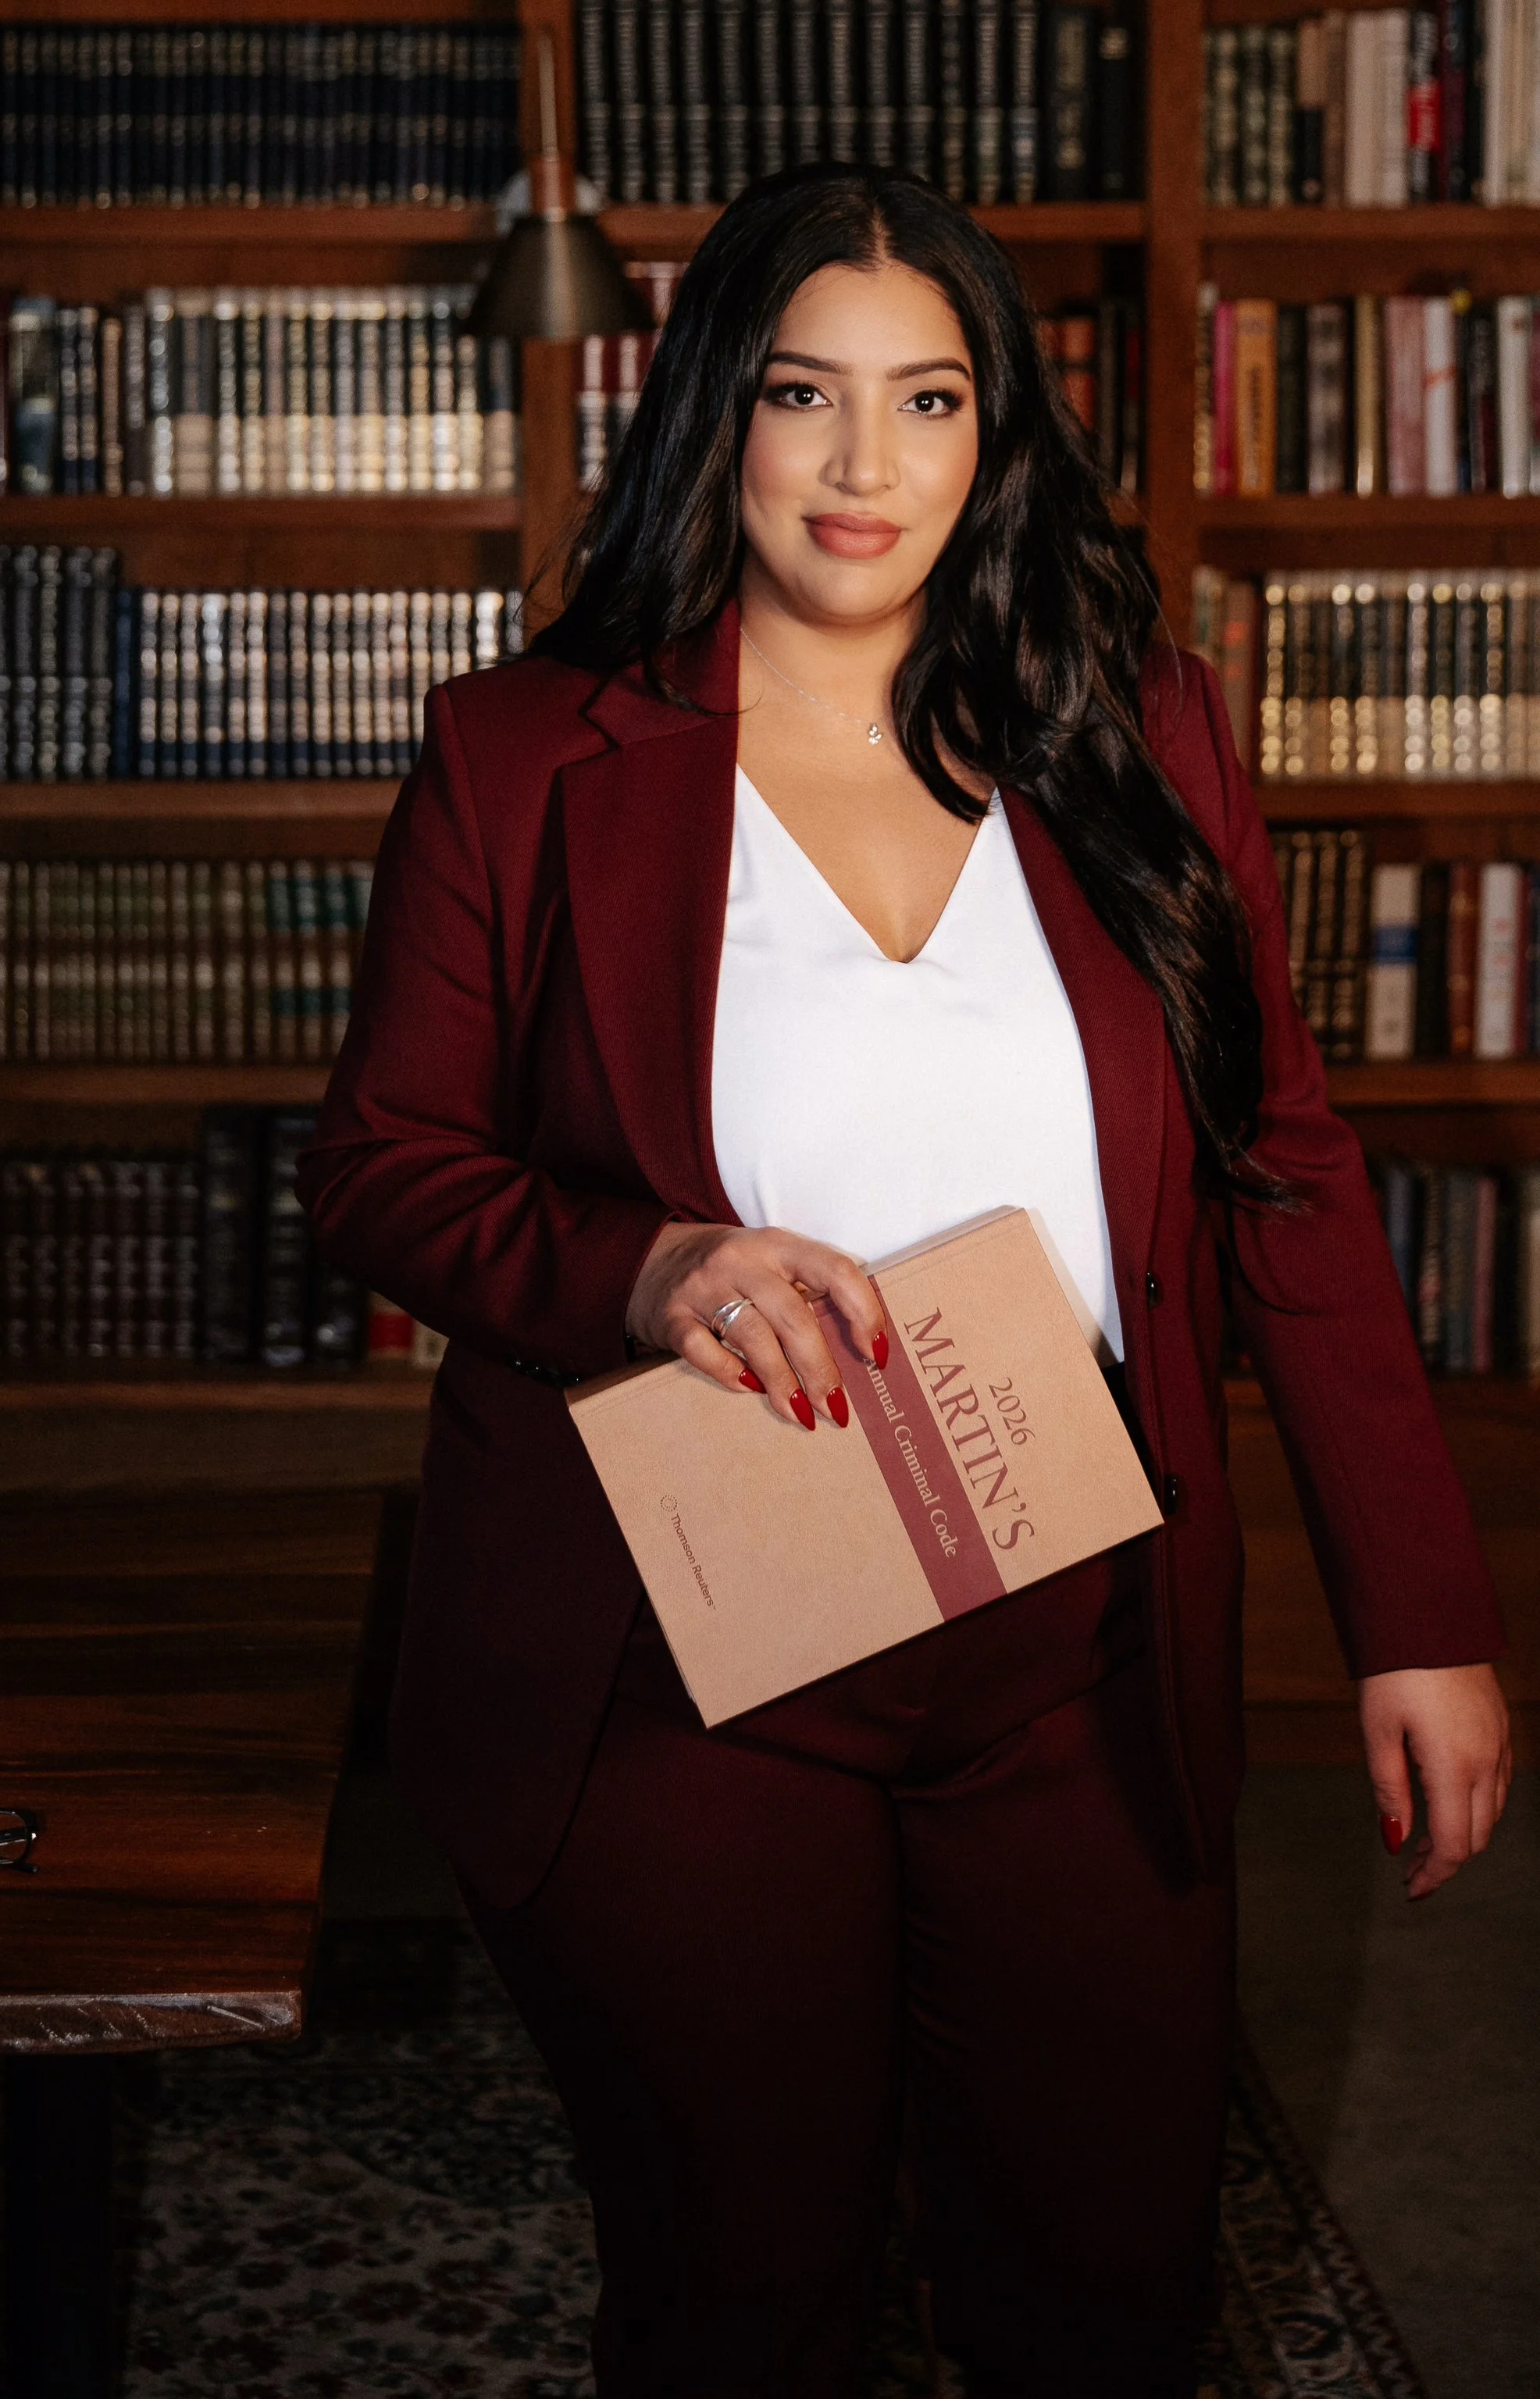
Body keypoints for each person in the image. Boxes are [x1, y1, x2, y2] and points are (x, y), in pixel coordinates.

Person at [298, 166, 1509, 2399]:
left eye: (925, 398)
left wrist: (1413, 1614)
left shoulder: (1143, 732)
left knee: (1102, 2288)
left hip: (1077, 1629)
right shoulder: (521, 756)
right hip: (689, 1651)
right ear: (713, 419)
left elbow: (1288, 1176)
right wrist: (637, 1261)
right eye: (802, 394)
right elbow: (380, 1171)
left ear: (993, 434)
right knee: (742, 2296)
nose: (864, 467)